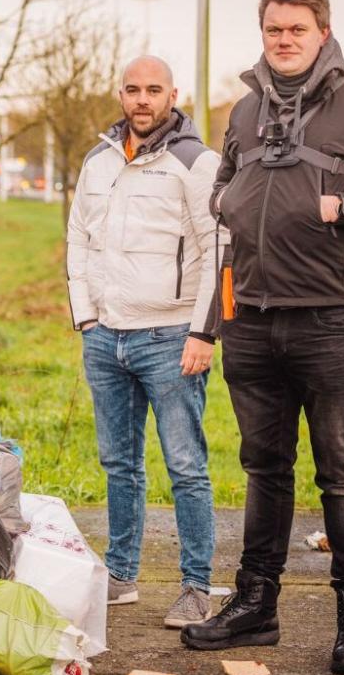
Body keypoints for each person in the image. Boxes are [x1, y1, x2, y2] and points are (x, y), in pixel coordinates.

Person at [180, 0, 344, 675]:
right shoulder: (243, 112)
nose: (284, 40)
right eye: (273, 30)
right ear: (262, 33)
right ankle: (256, 607)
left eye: (296, 29)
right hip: (254, 324)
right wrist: (227, 204)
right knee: (264, 471)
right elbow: (223, 198)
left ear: (323, 32)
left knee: (341, 475)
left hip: (329, 323)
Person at [66, 55, 226, 629]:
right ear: (120, 94)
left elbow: (219, 249)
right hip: (106, 337)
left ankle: (195, 586)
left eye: (153, 90)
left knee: (186, 465)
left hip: (170, 336)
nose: (142, 100)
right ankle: (122, 575)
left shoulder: (195, 161)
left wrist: (204, 331)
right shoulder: (98, 161)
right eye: (132, 89)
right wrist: (86, 317)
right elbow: (78, 240)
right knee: (119, 463)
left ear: (171, 94)